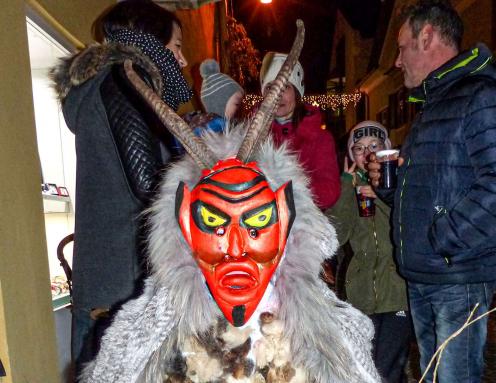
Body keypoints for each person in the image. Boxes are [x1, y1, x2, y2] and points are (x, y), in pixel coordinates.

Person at [78, 23, 381, 383]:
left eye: (256, 224)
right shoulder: (143, 337)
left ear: (284, 216)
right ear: (185, 222)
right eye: (214, 222)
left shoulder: (334, 338)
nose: (235, 250)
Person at [367, 1, 496, 381]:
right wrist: (389, 186)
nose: (396, 61)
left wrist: (444, 237)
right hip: (427, 272)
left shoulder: (483, 94)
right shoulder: (434, 103)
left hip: (457, 274)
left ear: (427, 37)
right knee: (433, 373)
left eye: (402, 46)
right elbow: (432, 188)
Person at [50, 0, 192, 374]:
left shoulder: (108, 84)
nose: (183, 61)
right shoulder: (125, 81)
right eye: (176, 47)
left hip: (107, 284)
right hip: (122, 292)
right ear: (149, 43)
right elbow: (149, 186)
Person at [328, 121, 411, 383]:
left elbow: (410, 226)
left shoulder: (406, 181)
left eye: (374, 146)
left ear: (387, 149)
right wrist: (344, 189)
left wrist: (384, 196)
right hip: (360, 296)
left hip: (398, 293)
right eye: (359, 148)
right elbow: (336, 236)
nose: (367, 154)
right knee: (365, 368)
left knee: (386, 369)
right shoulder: (351, 187)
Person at [260, 52, 340, 210]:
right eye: (270, 87)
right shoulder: (252, 135)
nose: (277, 94)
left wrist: (287, 192)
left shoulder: (319, 138)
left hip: (303, 224)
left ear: (297, 93)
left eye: (285, 87)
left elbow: (330, 191)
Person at [182, 58, 244, 137]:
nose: (239, 108)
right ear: (220, 105)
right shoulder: (215, 135)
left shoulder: (228, 128)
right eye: (237, 103)